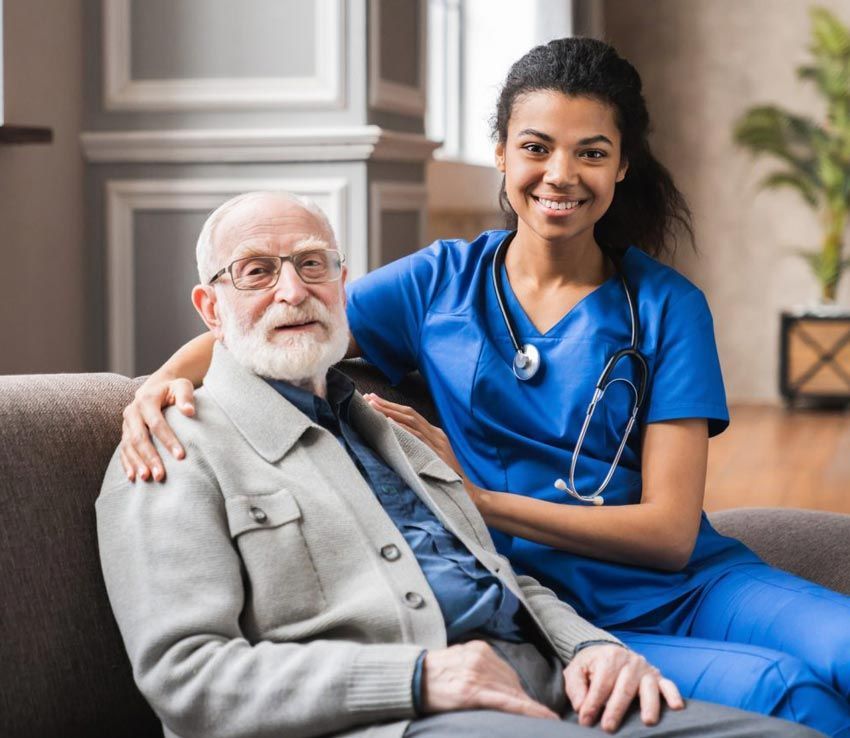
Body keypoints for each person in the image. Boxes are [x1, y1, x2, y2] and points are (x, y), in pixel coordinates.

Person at [117, 39, 850, 738]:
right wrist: (157, 387)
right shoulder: (436, 282)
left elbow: (665, 535)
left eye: (591, 152)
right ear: (500, 152)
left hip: (693, 585)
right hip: (561, 616)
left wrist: (478, 499)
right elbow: (282, 316)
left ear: (622, 165)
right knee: (790, 692)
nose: (560, 175)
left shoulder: (666, 305)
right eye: (536, 147)